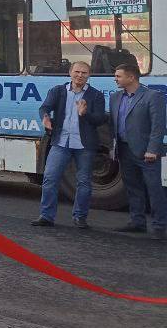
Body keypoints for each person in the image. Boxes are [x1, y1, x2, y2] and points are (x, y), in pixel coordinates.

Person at [33, 61, 107, 229]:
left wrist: (85, 114)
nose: (80, 75)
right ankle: (46, 216)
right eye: (77, 72)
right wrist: (45, 117)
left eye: (84, 73)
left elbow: (101, 119)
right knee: (50, 178)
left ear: (89, 76)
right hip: (60, 142)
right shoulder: (58, 91)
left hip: (85, 145)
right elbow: (44, 107)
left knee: (84, 182)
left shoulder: (96, 95)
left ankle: (80, 217)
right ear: (70, 72)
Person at [109, 61, 167, 239]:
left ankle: (160, 226)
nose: (115, 79)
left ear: (131, 77)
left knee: (154, 188)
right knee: (133, 187)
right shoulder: (116, 97)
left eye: (118, 76)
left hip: (146, 152)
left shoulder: (153, 96)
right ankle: (137, 222)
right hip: (124, 150)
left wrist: (153, 149)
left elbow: (158, 127)